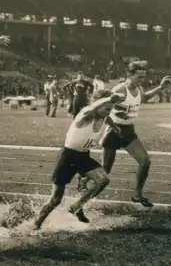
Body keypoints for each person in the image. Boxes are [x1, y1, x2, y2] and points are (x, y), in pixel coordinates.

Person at [31, 90, 126, 230]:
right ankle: (36, 224)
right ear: (98, 104)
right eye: (107, 108)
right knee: (56, 199)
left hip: (83, 156)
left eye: (110, 109)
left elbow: (108, 117)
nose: (108, 112)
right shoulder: (85, 114)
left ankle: (77, 206)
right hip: (68, 156)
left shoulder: (104, 116)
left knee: (103, 180)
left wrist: (115, 127)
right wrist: (109, 99)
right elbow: (93, 108)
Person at [93, 60, 171, 207]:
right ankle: (86, 194)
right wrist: (115, 119)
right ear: (129, 74)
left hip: (128, 131)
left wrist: (160, 87)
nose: (142, 80)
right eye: (139, 77)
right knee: (105, 171)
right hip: (113, 130)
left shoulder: (138, 88)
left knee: (145, 161)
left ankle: (137, 194)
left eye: (143, 77)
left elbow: (144, 97)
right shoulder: (120, 90)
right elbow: (101, 110)